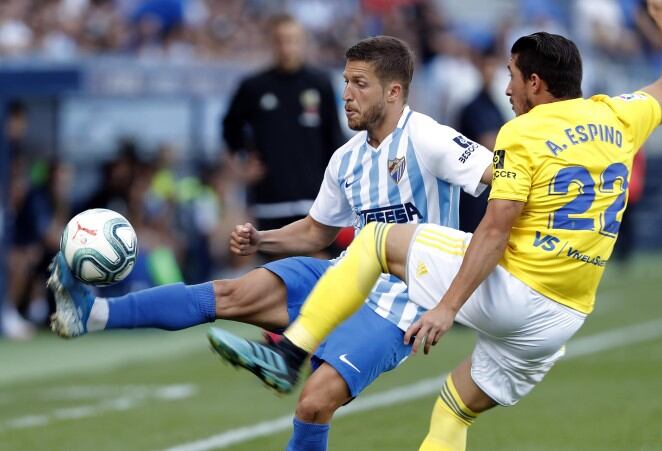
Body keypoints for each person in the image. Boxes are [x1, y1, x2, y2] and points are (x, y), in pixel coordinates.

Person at [206, 22, 662, 451]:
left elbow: (494, 230)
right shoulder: (619, 115)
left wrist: (447, 308)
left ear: (536, 83)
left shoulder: (522, 132)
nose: (507, 89)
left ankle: (288, 354)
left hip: (517, 290)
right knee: (452, 411)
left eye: (513, 77)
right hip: (563, 317)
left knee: (376, 239)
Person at [47, 35, 493, 451]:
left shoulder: (428, 137)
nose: (346, 95)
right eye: (345, 82)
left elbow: (503, 176)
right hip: (346, 277)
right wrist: (264, 238)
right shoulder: (346, 159)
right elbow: (317, 231)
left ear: (394, 92)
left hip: (405, 301)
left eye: (360, 84)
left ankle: (283, 363)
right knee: (231, 292)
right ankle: (93, 313)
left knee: (313, 403)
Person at [222, 13, 344, 232]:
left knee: (315, 263)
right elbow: (230, 126)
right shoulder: (254, 86)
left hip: (313, 200)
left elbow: (334, 137)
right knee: (271, 264)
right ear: (272, 43)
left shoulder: (320, 84)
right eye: (280, 40)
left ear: (302, 42)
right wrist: (243, 162)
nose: (287, 47)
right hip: (269, 200)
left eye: (292, 40)